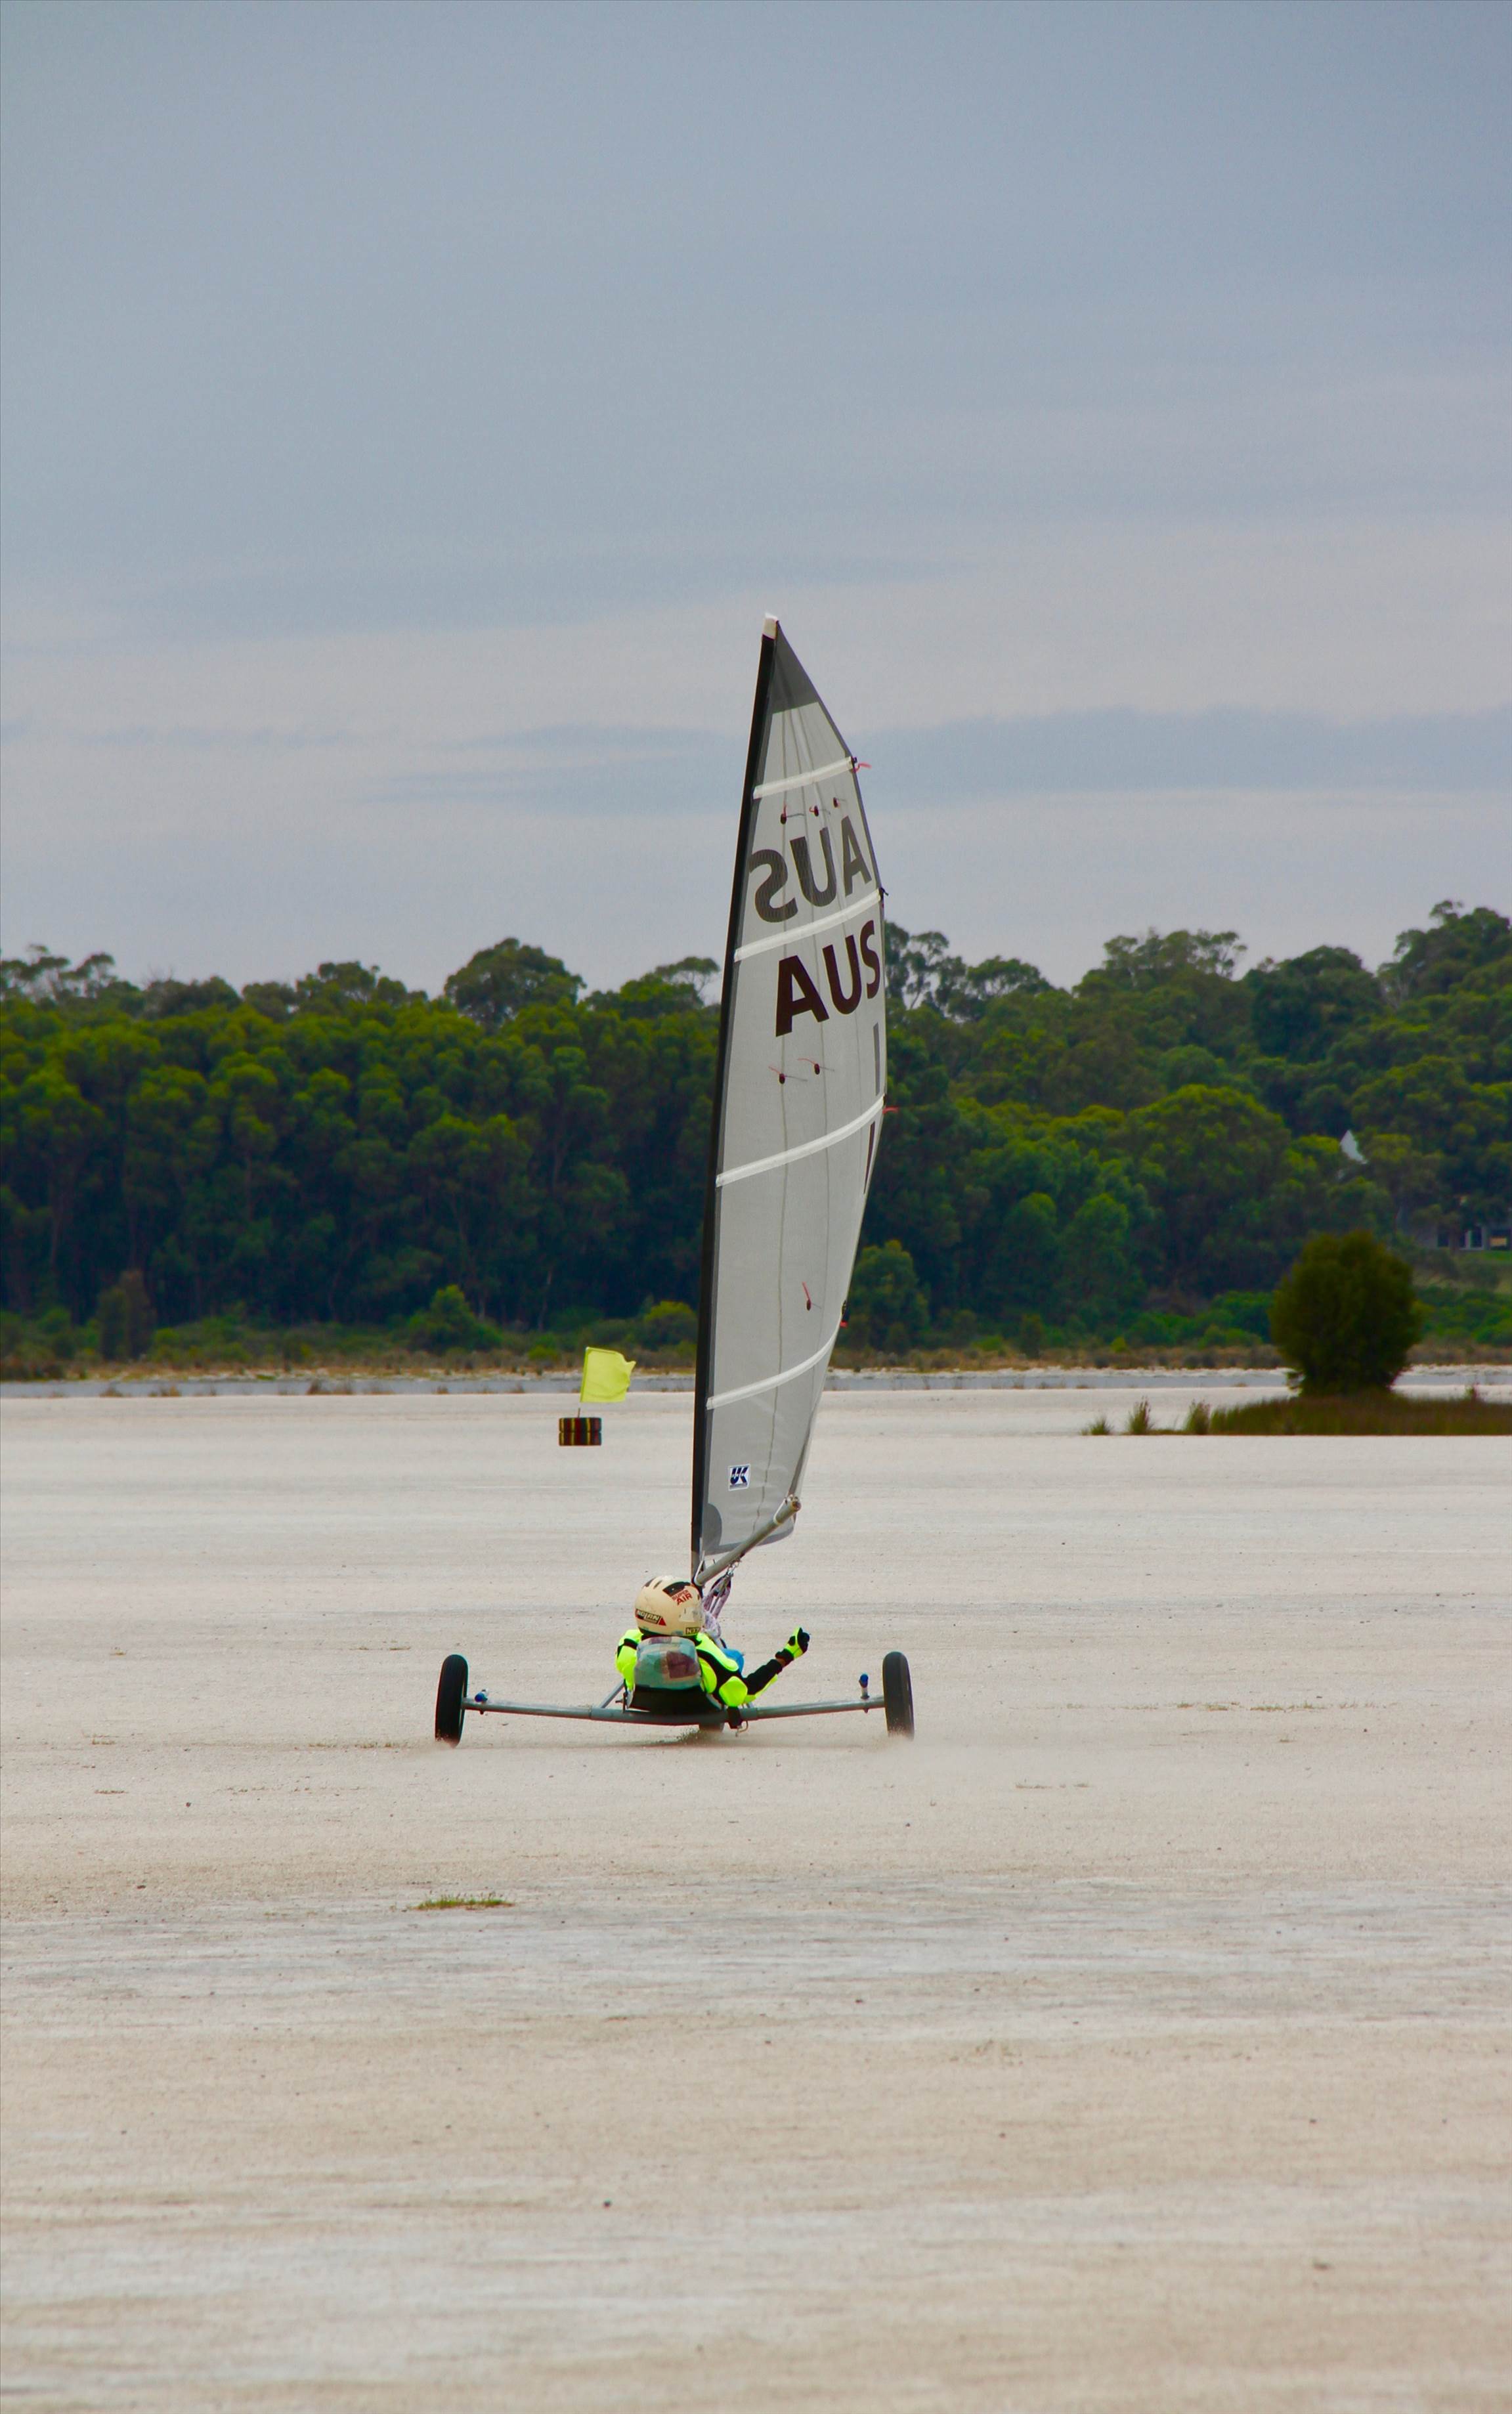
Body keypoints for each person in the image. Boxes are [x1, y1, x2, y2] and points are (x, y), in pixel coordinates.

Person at [615, 1576, 810, 1719]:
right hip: (697, 1704)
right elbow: (744, 1692)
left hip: (646, 1701)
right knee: (733, 1657)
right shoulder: (705, 1654)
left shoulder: (628, 1644)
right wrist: (785, 1656)